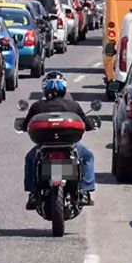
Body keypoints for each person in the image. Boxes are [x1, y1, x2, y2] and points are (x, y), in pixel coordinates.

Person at [24, 73, 95, 208]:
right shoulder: (73, 105)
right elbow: (88, 124)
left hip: (44, 146)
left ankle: (33, 193)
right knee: (88, 157)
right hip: (70, 145)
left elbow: (25, 125)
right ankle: (85, 190)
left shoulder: (37, 106)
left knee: (30, 159)